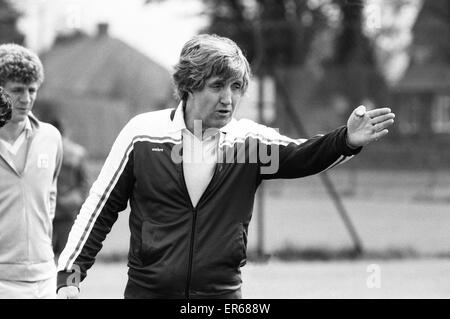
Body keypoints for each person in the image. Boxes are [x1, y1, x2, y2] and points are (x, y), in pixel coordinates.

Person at [57, 34, 395, 299]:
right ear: (188, 86)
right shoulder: (141, 134)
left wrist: (347, 140)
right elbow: (100, 207)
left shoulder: (248, 141)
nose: (229, 99)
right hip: (149, 293)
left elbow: (302, 155)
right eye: (217, 86)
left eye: (236, 87)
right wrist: (70, 276)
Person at [0, 44, 63, 298]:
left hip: (44, 276)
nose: (26, 99)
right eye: (17, 90)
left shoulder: (51, 137)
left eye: (32, 90)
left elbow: (49, 198)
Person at [49, 118, 89, 258]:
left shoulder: (42, 150)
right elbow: (84, 185)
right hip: (66, 209)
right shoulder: (78, 152)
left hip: (53, 210)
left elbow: (84, 185)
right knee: (69, 258)